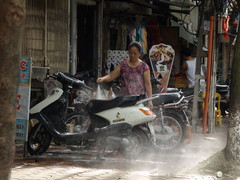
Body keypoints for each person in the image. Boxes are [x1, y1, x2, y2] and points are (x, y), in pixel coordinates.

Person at [97, 41, 153, 110]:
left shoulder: (144, 67)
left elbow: (147, 84)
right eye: (130, 53)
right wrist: (103, 79)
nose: (132, 55)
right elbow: (111, 76)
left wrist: (150, 100)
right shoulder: (123, 64)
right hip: (124, 99)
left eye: (135, 53)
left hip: (139, 100)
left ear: (140, 53)